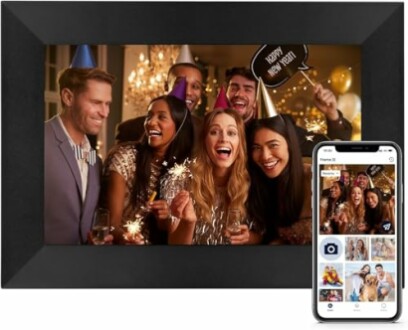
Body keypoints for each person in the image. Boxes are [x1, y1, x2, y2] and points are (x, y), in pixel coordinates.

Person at [44, 45, 116, 244]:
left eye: (107, 103)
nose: (105, 113)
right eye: (96, 102)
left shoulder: (94, 158)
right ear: (68, 97)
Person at [102, 95, 194, 244]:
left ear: (178, 127)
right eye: (149, 116)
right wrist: (127, 238)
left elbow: (177, 237)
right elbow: (112, 225)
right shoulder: (125, 158)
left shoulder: (183, 173)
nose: (151, 122)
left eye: (161, 117)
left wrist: (165, 219)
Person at [168, 109, 263, 245]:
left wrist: (248, 238)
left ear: (240, 143)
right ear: (204, 141)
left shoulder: (253, 182)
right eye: (214, 132)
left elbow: (265, 239)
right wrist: (188, 223)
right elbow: (174, 247)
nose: (223, 139)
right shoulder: (180, 181)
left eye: (231, 133)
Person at [225, 67, 353, 156]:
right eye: (234, 87)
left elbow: (336, 151)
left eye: (247, 89)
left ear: (256, 100)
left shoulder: (281, 129)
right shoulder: (210, 130)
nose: (239, 94)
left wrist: (332, 114)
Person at [116, 45, 203, 144]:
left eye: (195, 86)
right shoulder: (130, 129)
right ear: (166, 86)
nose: (188, 92)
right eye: (180, 83)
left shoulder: (204, 131)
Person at [246, 113, 312, 244]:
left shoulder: (312, 177)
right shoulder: (253, 182)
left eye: (273, 145)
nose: (265, 156)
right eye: (257, 147)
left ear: (289, 144)